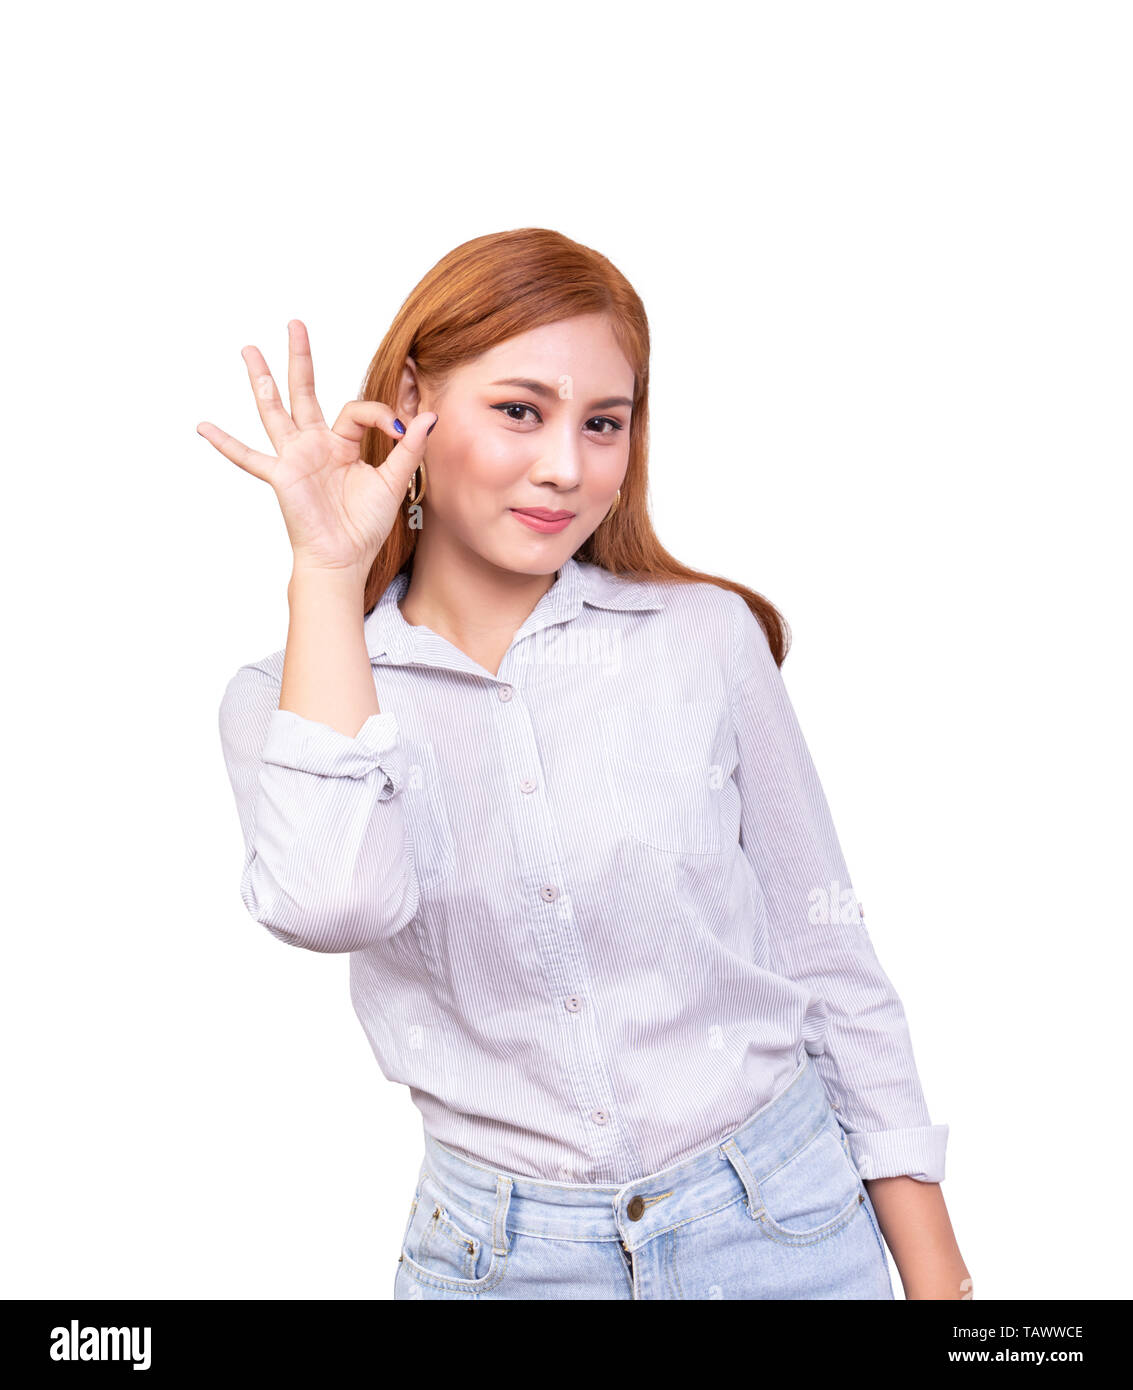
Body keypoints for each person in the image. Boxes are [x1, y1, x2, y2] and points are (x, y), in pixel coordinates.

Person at [201, 227, 969, 1301]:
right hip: (501, 1264)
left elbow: (825, 953)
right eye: (520, 410)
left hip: (784, 1225)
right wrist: (327, 576)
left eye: (602, 423)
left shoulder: (703, 639)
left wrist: (941, 1284)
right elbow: (336, 903)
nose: (566, 465)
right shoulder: (285, 703)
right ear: (413, 397)